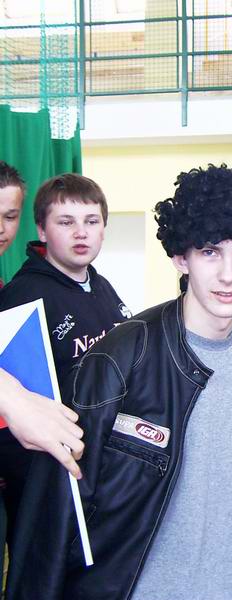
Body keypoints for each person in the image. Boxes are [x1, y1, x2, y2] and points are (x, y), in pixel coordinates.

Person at [6, 164, 232, 600]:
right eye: (209, 251)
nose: (228, 274)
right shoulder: (120, 357)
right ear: (181, 257)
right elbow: (56, 514)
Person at [0, 172, 131, 546]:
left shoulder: (102, 287)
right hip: (48, 473)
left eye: (91, 221)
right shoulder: (20, 298)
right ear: (42, 230)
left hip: (103, 462)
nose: (81, 233)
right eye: (66, 222)